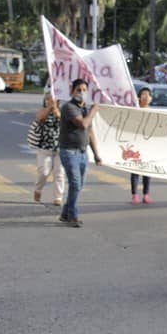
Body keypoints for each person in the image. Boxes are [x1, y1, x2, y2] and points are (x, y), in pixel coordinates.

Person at [59, 79, 102, 228]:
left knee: (78, 185)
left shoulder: (85, 109)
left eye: (84, 90)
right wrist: (94, 111)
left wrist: (96, 154)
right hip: (69, 152)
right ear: (72, 91)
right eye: (78, 90)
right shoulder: (68, 107)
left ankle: (65, 212)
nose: (82, 93)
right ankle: (73, 215)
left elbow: (90, 132)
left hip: (83, 153)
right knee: (75, 184)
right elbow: (82, 124)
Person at [33, 94, 65, 206]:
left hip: (60, 148)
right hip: (44, 148)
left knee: (59, 173)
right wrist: (49, 108)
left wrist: (56, 111)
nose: (50, 101)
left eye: (53, 100)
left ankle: (58, 197)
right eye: (48, 99)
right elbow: (39, 119)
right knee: (44, 172)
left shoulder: (62, 111)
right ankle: (38, 189)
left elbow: (64, 124)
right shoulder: (42, 110)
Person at [130, 87, 153, 204]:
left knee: (147, 171)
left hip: (148, 146)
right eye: (143, 94)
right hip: (136, 145)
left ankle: (146, 194)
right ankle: (134, 195)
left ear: (151, 98)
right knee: (135, 170)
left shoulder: (154, 113)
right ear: (139, 97)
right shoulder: (134, 111)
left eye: (147, 95)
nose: (145, 97)